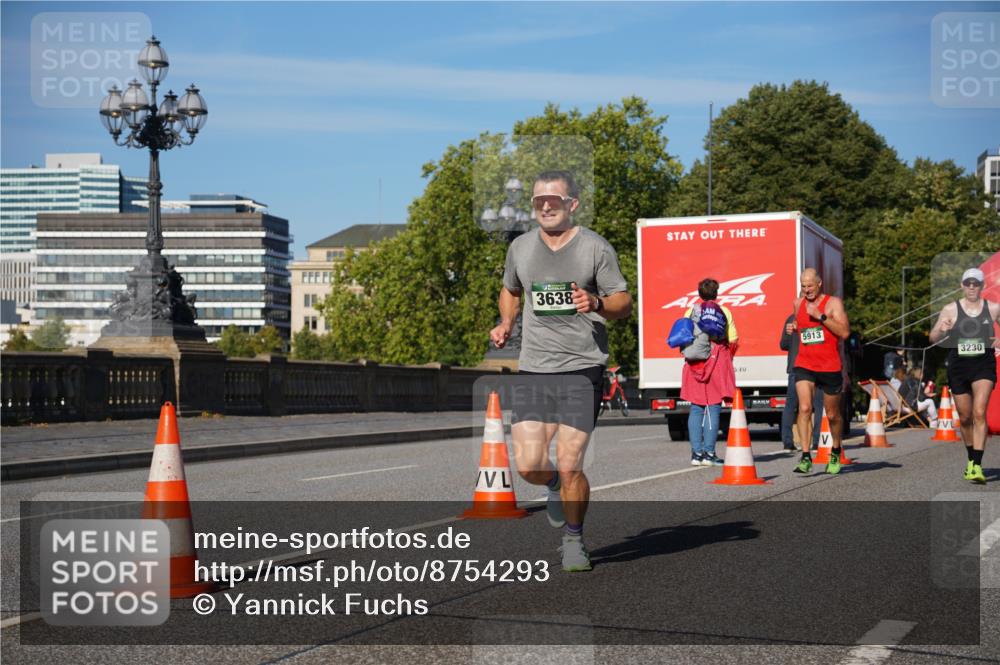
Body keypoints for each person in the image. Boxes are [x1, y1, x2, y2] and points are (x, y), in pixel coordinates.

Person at [490, 170, 632, 571]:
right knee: (529, 465)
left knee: (571, 463)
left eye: (554, 200)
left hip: (581, 368)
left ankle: (573, 540)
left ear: (572, 205)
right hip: (535, 367)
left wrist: (598, 303)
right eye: (538, 201)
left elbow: (624, 301)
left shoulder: (595, 249)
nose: (546, 206)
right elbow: (511, 289)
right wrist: (506, 323)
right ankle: (552, 485)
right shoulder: (519, 248)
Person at [929, 268, 999, 484]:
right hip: (959, 366)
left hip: (983, 365)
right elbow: (932, 338)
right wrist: (942, 329)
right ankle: (971, 457)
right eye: (968, 283)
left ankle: (977, 465)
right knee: (965, 416)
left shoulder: (994, 308)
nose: (971, 287)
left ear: (982, 286)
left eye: (975, 283)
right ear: (961, 285)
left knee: (979, 412)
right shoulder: (950, 309)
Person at [788, 268, 851, 474]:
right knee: (805, 408)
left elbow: (844, 332)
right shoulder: (798, 303)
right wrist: (794, 327)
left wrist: (821, 316)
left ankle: (835, 450)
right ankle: (806, 456)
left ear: (819, 283)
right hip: (805, 363)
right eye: (803, 286)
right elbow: (803, 327)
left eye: (810, 286)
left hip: (829, 366)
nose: (806, 290)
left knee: (833, 415)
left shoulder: (833, 304)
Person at [680, 278, 737, 466]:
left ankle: (696, 454)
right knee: (713, 408)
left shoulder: (691, 311)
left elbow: (684, 335)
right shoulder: (725, 311)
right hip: (716, 361)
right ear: (716, 293)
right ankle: (709, 454)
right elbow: (733, 339)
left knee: (696, 408)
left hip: (694, 362)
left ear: (699, 294)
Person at [780, 313, 823, 451]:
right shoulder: (817, 317)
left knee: (791, 405)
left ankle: (787, 442)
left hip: (795, 367)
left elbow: (783, 344)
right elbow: (819, 342)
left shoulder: (790, 319)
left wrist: (793, 338)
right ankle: (817, 441)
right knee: (818, 405)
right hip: (815, 366)